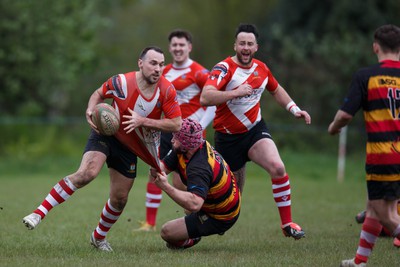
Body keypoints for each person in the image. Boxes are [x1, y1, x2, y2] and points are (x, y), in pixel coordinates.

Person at [22, 46, 182, 252]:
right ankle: (38, 213)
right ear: (140, 63)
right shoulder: (121, 82)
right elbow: (98, 93)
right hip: (106, 134)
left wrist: (143, 121)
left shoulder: (167, 90)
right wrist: (90, 109)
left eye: (161, 64)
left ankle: (98, 238)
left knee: (120, 199)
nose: (158, 68)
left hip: (132, 146)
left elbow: (176, 123)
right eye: (153, 63)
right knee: (87, 173)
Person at [200, 23, 311, 240]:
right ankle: (197, 219)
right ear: (235, 45)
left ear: (256, 47)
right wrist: (235, 93)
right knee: (229, 201)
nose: (245, 47)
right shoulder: (223, 69)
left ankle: (287, 224)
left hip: (254, 132)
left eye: (250, 44)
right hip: (227, 139)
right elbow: (206, 96)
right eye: (242, 43)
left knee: (278, 167)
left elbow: (276, 89)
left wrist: (294, 109)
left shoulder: (262, 68)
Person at [328, 24, 400, 266]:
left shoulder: (367, 76)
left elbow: (346, 115)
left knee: (385, 214)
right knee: (373, 207)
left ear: (375, 46)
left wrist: (334, 127)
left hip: (384, 156)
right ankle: (360, 262)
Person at [135, 29, 216, 231]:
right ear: (170, 48)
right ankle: (150, 223)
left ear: (189, 47)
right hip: (167, 132)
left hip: (190, 137)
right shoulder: (164, 71)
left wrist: (199, 127)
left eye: (182, 44)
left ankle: (194, 219)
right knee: (155, 171)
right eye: (174, 45)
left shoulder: (199, 72)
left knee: (181, 181)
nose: (178, 48)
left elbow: (213, 103)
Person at [151, 118, 241, 249]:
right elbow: (162, 167)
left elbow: (195, 204)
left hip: (222, 216)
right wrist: (154, 166)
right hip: (216, 202)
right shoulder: (188, 148)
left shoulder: (199, 167)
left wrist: (165, 186)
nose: (171, 140)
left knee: (167, 232)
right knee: (187, 203)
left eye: (176, 138)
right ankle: (192, 228)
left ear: (186, 143)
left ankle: (193, 237)